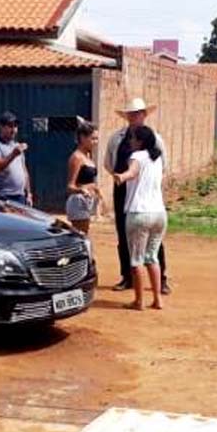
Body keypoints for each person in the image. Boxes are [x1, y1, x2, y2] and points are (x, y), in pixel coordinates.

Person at [103, 98, 171, 294]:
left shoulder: (155, 138)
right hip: (122, 191)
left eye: (138, 113)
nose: (134, 117)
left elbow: (162, 165)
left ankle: (161, 279)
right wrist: (120, 180)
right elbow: (109, 162)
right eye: (131, 114)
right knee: (124, 234)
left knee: (152, 238)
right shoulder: (117, 138)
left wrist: (138, 180)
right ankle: (127, 276)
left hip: (146, 191)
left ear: (144, 115)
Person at [112, 126, 167, 311]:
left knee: (136, 260)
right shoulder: (156, 158)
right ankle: (158, 300)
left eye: (133, 138)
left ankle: (139, 301)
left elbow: (133, 172)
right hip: (159, 213)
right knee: (152, 258)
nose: (130, 141)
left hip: (139, 213)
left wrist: (122, 176)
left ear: (140, 141)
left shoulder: (137, 157)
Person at [0, 111, 32, 205]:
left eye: (15, 126)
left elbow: (24, 171)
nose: (14, 130)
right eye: (10, 126)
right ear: (1, 127)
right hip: (4, 196)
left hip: (20, 196)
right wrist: (13, 154)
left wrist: (28, 193)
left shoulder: (17, 145)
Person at [65, 121, 103, 234]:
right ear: (82, 138)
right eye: (93, 139)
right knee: (81, 236)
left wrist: (95, 190)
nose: (95, 142)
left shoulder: (87, 156)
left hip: (86, 202)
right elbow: (70, 186)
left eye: (97, 139)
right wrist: (81, 190)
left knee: (83, 234)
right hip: (78, 202)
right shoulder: (77, 158)